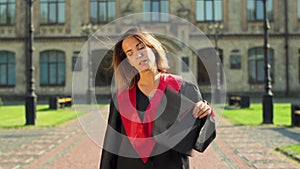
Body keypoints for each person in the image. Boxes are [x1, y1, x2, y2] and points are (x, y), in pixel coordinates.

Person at [99, 27, 215, 169]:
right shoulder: (121, 99)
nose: (138, 55)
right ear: (128, 61)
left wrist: (206, 115)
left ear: (153, 49)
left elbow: (200, 142)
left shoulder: (184, 89)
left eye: (141, 47)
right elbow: (111, 146)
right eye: (130, 53)